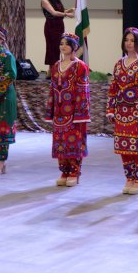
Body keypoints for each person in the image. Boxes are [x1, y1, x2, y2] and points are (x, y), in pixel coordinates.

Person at [106, 27, 138, 195]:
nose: (129, 43)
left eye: (132, 40)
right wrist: (111, 109)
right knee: (124, 146)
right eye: (126, 40)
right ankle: (129, 177)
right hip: (121, 112)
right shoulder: (118, 64)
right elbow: (113, 88)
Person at [44, 33, 90, 187]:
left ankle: (74, 172)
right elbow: (52, 89)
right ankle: (64, 171)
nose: (63, 46)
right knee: (60, 142)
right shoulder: (56, 66)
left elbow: (83, 91)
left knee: (74, 142)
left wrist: (80, 113)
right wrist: (51, 111)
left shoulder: (80, 66)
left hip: (74, 113)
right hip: (59, 113)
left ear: (74, 47)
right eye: (61, 43)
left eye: (66, 44)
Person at [0, 25, 17, 176]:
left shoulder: (7, 55)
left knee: (1, 128)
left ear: (1, 39)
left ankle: (0, 160)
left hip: (4, 97)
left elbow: (11, 74)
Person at [41, 0, 75, 68]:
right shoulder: (45, 1)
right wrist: (67, 14)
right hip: (51, 27)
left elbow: (61, 11)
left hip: (59, 26)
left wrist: (70, 10)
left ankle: (55, 68)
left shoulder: (56, 1)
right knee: (51, 48)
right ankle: (52, 69)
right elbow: (54, 13)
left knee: (58, 48)